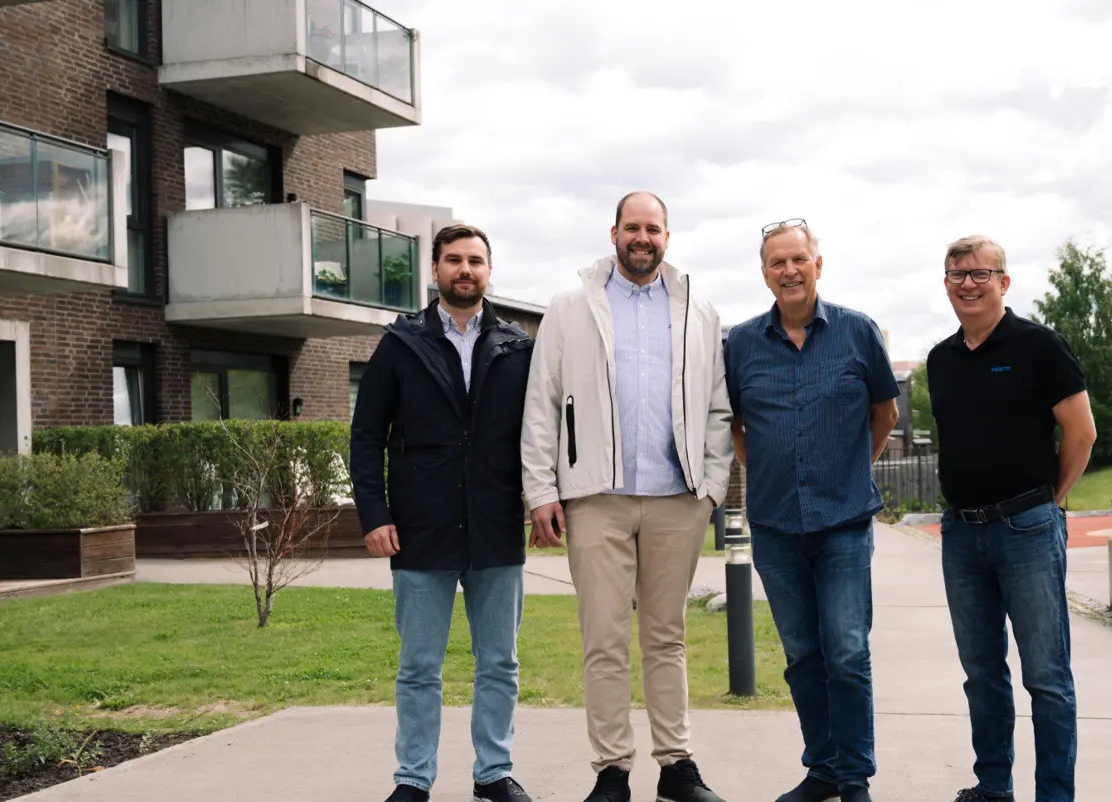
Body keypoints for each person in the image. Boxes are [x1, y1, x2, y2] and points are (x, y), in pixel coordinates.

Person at [520, 191, 734, 802]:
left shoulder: (700, 311)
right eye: (633, 227)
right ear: (613, 232)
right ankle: (612, 770)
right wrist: (542, 489)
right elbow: (543, 405)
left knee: (666, 637)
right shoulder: (569, 309)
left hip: (677, 499)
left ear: (668, 236)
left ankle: (676, 767)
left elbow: (719, 409)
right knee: (604, 640)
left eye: (654, 228)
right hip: (596, 500)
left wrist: (711, 489)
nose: (643, 238)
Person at [351, 223, 536, 802]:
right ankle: (413, 779)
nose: (465, 270)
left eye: (476, 261)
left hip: (497, 524)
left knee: (500, 663)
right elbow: (365, 437)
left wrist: (545, 501)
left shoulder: (517, 346)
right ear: (435, 270)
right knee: (418, 667)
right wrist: (374, 514)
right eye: (454, 260)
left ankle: (493, 773)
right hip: (419, 528)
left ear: (489, 271)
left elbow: (542, 434)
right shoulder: (399, 344)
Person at [723, 218, 901, 802]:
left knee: (846, 652)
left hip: (844, 522)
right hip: (775, 526)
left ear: (817, 265)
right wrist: (765, 474)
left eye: (799, 259)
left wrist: (851, 470)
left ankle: (852, 776)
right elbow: (736, 428)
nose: (789, 270)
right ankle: (822, 768)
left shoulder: (858, 332)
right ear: (765, 273)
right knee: (802, 656)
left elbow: (885, 415)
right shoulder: (742, 344)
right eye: (777, 262)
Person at [925, 235, 1097, 802]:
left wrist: (1051, 499)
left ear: (1004, 281)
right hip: (960, 534)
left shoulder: (1039, 346)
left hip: (1027, 528)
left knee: (1046, 676)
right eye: (957, 275)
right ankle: (992, 786)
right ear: (945, 284)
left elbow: (1082, 432)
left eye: (980, 273)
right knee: (982, 675)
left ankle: (1054, 795)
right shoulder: (940, 360)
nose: (968, 284)